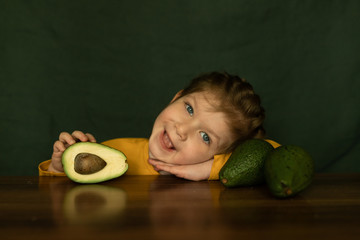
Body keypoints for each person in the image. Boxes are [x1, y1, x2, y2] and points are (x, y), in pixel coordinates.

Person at [39, 72, 279, 181]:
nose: (182, 130)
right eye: (189, 109)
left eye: (205, 136)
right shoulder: (119, 149)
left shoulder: (216, 169)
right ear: (176, 97)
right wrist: (59, 168)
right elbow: (59, 202)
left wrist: (210, 170)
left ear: (219, 154)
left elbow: (271, 153)